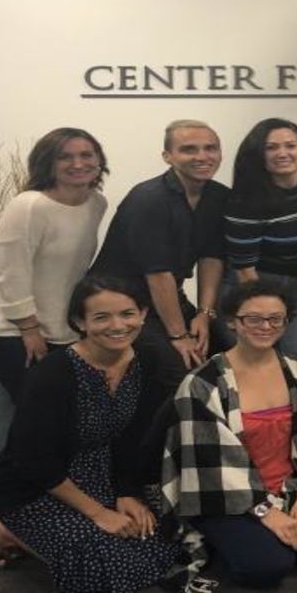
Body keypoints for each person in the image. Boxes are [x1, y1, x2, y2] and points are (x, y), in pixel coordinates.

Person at [0, 276, 210, 593]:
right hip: (37, 486)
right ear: (80, 322)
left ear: (143, 315)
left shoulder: (148, 361)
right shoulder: (53, 374)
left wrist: (127, 493)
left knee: (168, 540)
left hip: (102, 476)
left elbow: (134, 440)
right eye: (101, 317)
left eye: (127, 314)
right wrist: (98, 513)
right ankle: (5, 530)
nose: (117, 326)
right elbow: (34, 460)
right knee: (106, 568)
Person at [162, 280, 297, 588]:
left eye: (275, 319)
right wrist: (268, 514)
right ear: (232, 322)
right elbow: (212, 466)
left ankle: (280, 535)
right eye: (253, 319)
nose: (265, 326)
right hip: (228, 498)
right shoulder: (203, 383)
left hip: (290, 489)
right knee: (266, 567)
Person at [0, 127, 109, 468]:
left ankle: (47, 487)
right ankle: (17, 492)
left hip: (55, 324)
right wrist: (29, 328)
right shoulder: (29, 206)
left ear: (99, 160)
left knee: (60, 413)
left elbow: (73, 267)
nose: (78, 163)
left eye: (86, 155)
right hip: (1, 325)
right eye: (65, 156)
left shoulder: (96, 203)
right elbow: (11, 272)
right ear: (47, 163)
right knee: (36, 414)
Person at [92, 119, 228, 397]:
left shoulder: (218, 196)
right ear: (168, 156)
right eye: (189, 149)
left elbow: (211, 258)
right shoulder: (148, 198)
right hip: (118, 301)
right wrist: (179, 336)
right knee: (181, 369)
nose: (202, 156)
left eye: (210, 148)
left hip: (166, 296)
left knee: (227, 352)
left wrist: (205, 314)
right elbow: (158, 274)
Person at [223, 118, 297, 365]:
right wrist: (268, 317)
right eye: (271, 148)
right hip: (254, 286)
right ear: (259, 154)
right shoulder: (245, 201)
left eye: (290, 145)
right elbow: (245, 272)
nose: (282, 153)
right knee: (256, 362)